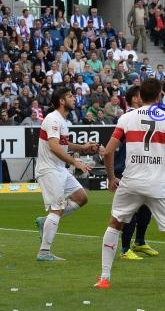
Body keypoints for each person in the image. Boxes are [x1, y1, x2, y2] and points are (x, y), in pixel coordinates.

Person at [95, 78, 165, 290]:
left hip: (131, 182)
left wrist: (111, 178)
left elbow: (109, 151)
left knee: (114, 224)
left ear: (140, 97)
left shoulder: (127, 118)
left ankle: (104, 277)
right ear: (159, 96)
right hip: (159, 184)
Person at [34, 87, 99, 261]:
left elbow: (64, 144)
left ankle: (45, 221)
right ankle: (44, 252)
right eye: (70, 96)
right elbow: (54, 146)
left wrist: (83, 147)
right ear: (62, 101)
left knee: (81, 198)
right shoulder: (53, 119)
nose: (73, 98)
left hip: (59, 168)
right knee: (57, 208)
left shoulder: (62, 121)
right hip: (49, 169)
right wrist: (75, 162)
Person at [111, 86, 158, 260]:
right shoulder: (127, 118)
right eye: (140, 96)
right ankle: (124, 249)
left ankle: (139, 241)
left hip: (144, 169)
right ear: (134, 99)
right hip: (127, 169)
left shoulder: (144, 117)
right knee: (131, 210)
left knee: (146, 208)